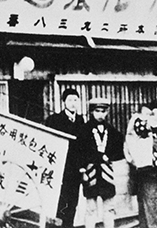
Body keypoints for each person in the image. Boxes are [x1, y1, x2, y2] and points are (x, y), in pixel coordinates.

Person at [76, 97, 124, 228]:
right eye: (97, 111)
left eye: (104, 111)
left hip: (107, 172)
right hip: (91, 172)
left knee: (109, 207)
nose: (101, 114)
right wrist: (82, 170)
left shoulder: (113, 132)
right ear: (91, 111)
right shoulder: (83, 130)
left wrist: (110, 157)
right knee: (90, 208)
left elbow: (120, 149)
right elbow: (78, 151)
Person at [45, 88, 85, 228]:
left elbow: (83, 145)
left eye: (75, 100)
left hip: (75, 170)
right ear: (63, 102)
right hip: (60, 168)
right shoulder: (54, 120)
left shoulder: (81, 121)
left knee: (72, 202)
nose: (73, 103)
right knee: (59, 201)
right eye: (70, 100)